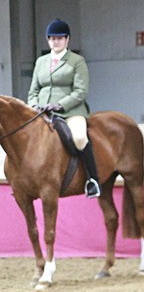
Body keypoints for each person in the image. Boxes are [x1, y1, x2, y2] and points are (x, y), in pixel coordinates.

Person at [28, 19, 99, 198]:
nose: (55, 42)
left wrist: (60, 105)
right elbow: (33, 90)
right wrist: (33, 105)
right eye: (52, 38)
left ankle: (92, 180)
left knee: (80, 137)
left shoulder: (76, 61)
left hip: (71, 112)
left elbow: (80, 91)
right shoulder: (41, 62)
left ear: (67, 40)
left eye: (59, 38)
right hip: (41, 112)